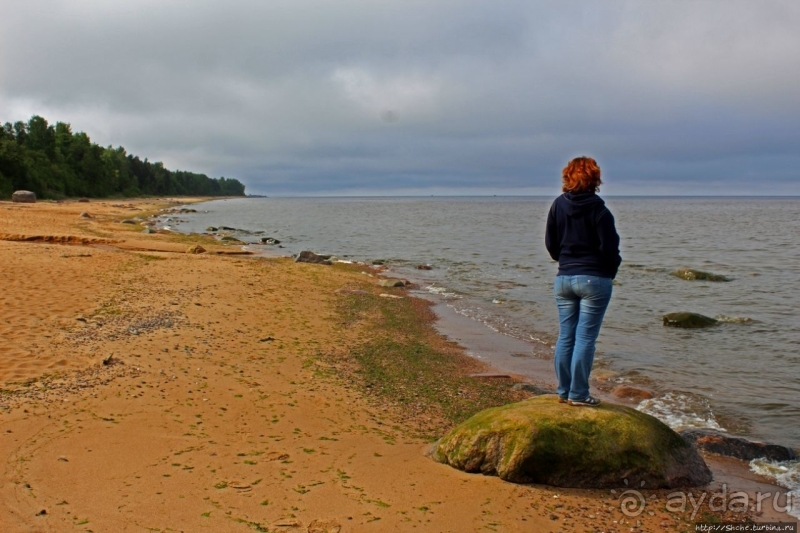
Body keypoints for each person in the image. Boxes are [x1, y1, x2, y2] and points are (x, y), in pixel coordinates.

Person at [545, 156, 621, 407]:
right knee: (585, 338)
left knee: (566, 336)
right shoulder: (600, 210)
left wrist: (565, 261)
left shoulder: (557, 205)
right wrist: (610, 271)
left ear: (568, 176)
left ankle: (564, 391)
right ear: (595, 179)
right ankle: (578, 394)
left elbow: (551, 243)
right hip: (594, 278)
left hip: (564, 278)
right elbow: (610, 248)